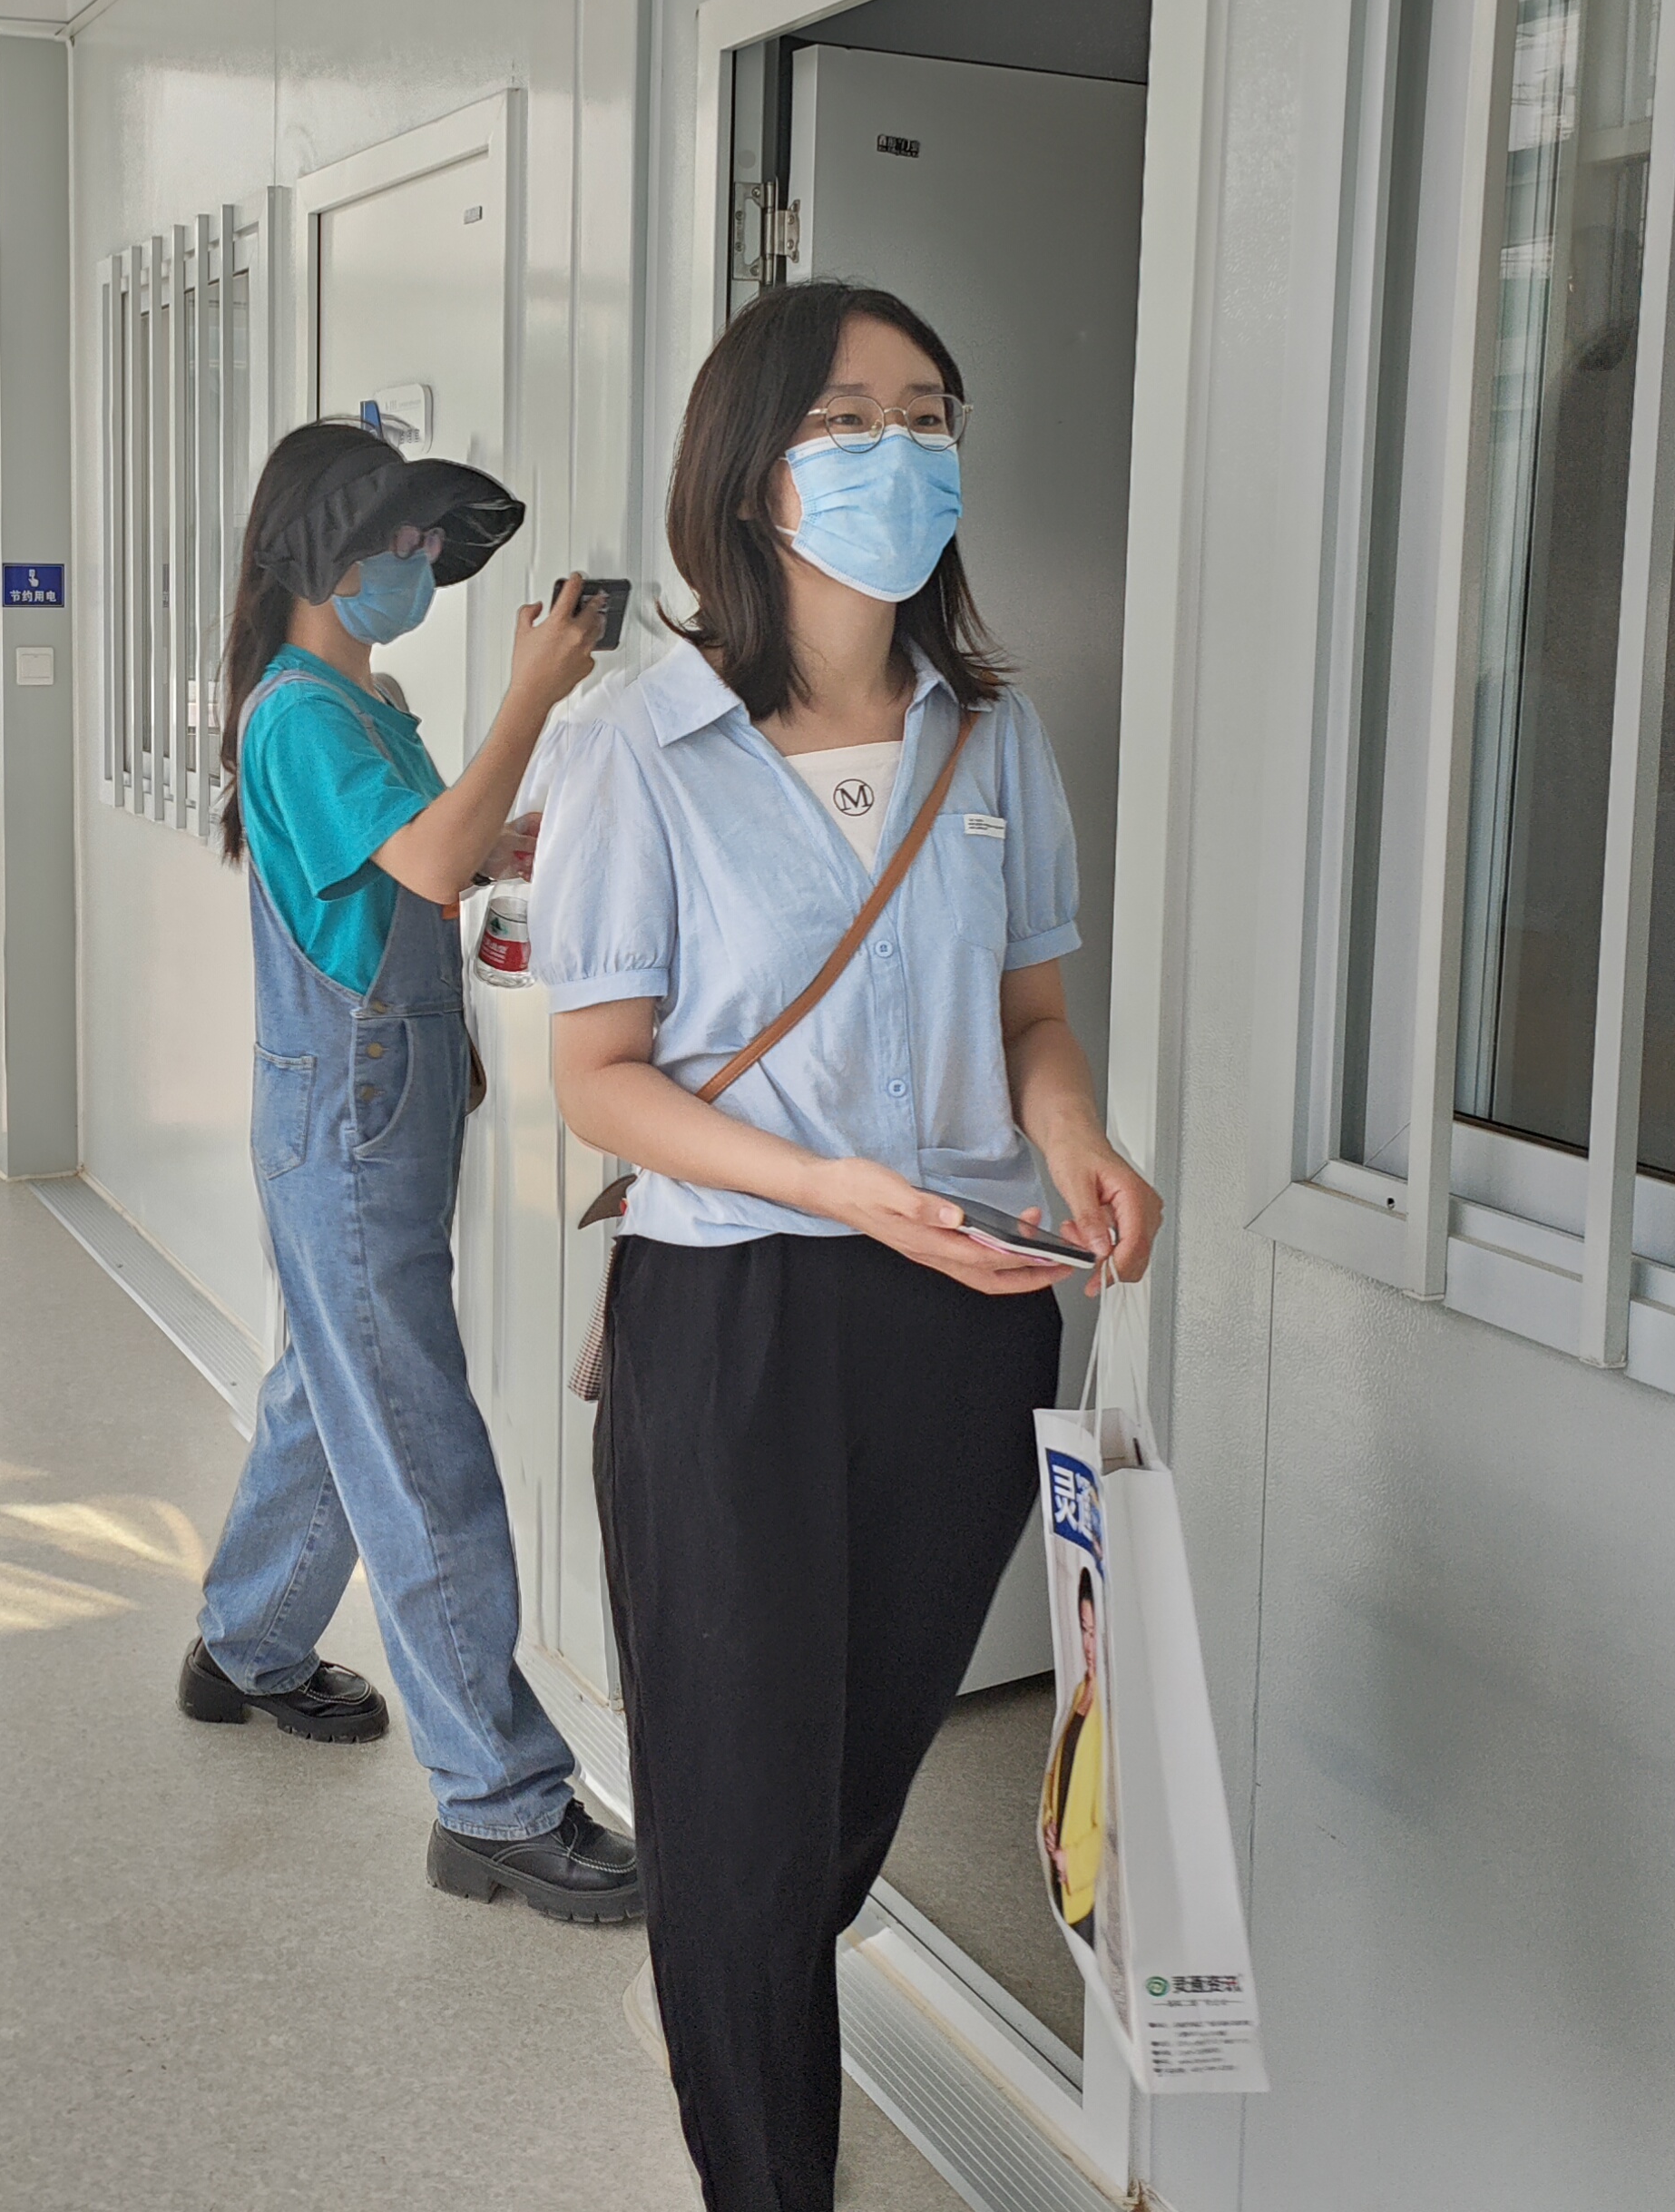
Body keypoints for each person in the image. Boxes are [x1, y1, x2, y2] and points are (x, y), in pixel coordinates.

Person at [536, 279, 1161, 2212]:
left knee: (845, 1783)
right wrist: (840, 1188)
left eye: (929, 416)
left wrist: (1073, 1137)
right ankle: (759, 2149)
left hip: (964, 1317)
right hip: (734, 1309)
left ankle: (722, 1988)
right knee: (736, 1796)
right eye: (847, 419)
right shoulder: (637, 740)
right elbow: (598, 1078)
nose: (901, 452)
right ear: (751, 467)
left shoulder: (991, 737)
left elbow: (1031, 1017)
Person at [176, 419, 642, 1923]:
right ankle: (497, 1800)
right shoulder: (299, 713)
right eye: (401, 540)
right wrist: (531, 695)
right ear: (324, 550)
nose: (422, 564)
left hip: (386, 1097)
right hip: (351, 1113)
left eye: (432, 545)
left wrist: (512, 831)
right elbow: (428, 868)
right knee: (416, 1442)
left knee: (337, 1385)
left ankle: (245, 1644)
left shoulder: (363, 701)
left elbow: (433, 855)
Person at [1040, 1570, 1107, 1946]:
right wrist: (1051, 1820)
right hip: (1062, 1861)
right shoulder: (1083, 1689)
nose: (1088, 1644)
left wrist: (1074, 1861)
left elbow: (1124, 1821)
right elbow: (1061, 1769)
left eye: (1097, 1632)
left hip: (1089, 1882)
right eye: (1085, 1629)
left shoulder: (1118, 1713)